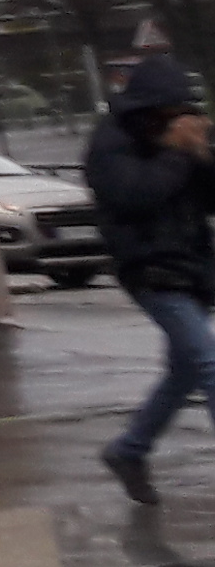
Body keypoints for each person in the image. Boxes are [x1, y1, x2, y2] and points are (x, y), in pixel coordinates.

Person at [88, 56, 215, 503]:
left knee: (184, 370)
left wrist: (201, 154)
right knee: (209, 363)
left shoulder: (177, 146)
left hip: (192, 266)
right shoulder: (111, 142)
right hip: (149, 268)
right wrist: (176, 153)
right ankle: (130, 451)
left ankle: (129, 450)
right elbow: (134, 196)